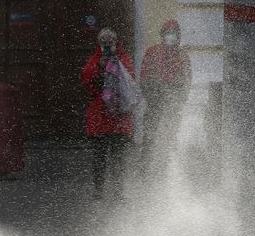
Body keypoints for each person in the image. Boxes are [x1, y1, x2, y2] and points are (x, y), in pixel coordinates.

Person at [81, 27, 136, 199]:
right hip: (100, 116)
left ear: (116, 42)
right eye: (103, 42)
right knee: (99, 156)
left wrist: (115, 66)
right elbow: (86, 81)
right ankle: (99, 190)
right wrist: (100, 66)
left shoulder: (123, 59)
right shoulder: (95, 60)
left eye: (110, 41)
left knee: (118, 156)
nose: (107, 44)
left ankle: (118, 190)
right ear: (99, 43)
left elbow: (129, 82)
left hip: (119, 117)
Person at [139, 19, 191, 172]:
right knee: (150, 135)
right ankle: (145, 166)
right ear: (162, 35)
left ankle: (168, 166)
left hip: (172, 104)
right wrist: (152, 93)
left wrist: (179, 98)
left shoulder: (182, 55)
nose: (170, 36)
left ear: (178, 36)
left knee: (170, 135)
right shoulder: (152, 52)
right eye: (168, 33)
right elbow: (144, 77)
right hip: (154, 102)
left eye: (173, 33)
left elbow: (186, 80)